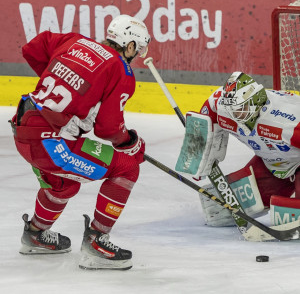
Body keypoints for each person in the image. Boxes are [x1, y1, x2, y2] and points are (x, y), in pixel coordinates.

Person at [10, 14, 150, 270]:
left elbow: (32, 48)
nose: (136, 56)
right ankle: (97, 242)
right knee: (127, 167)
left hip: (22, 129)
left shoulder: (74, 41)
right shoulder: (121, 69)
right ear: (129, 45)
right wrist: (130, 143)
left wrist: (68, 83)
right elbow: (108, 129)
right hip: (50, 144)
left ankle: (35, 234)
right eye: (137, 50)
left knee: (64, 185)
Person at [177, 71, 300, 228]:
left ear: (256, 100)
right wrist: (198, 151)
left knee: (294, 217)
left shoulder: (287, 122)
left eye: (241, 108)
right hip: (275, 163)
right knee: (219, 211)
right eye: (232, 109)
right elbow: (211, 109)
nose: (235, 115)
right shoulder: (222, 105)